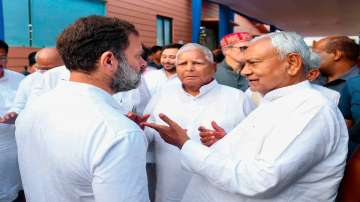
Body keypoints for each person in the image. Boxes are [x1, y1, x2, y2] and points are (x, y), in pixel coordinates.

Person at [142, 32, 348, 202]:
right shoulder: (277, 101)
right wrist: (230, 142)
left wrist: (185, 144)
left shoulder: (311, 109)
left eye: (253, 63)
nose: (245, 72)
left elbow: (261, 180)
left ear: (292, 63)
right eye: (244, 64)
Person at [15, 15, 149, 202]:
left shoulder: (32, 110)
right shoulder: (118, 134)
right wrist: (123, 133)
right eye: (137, 56)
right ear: (109, 60)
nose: (143, 64)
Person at [143, 43, 250, 202]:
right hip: (170, 188)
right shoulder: (163, 95)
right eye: (183, 64)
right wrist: (135, 128)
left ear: (214, 67)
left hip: (216, 191)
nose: (189, 68)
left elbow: (252, 145)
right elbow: (147, 134)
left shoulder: (237, 98)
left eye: (197, 63)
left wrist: (226, 140)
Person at [0, 48, 63, 125]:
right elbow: (19, 106)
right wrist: (13, 115)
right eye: (40, 68)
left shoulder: (73, 80)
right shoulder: (29, 80)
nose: (45, 74)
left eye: (49, 69)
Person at [0, 39, 24, 202]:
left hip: (12, 144)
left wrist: (17, 114)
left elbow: (29, 105)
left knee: (12, 189)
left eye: (2, 57)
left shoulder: (19, 80)